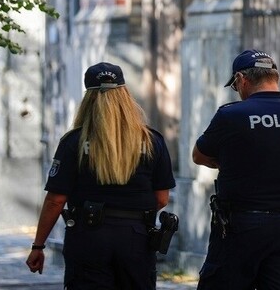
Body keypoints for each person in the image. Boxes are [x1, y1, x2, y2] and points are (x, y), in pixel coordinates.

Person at [25, 61, 177, 289]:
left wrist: (38, 246)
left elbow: (56, 200)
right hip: (136, 237)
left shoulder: (74, 142)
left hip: (88, 236)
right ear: (125, 95)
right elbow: (162, 199)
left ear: (88, 98)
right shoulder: (151, 140)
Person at [193, 49, 280, 290]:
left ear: (241, 79)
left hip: (242, 225)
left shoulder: (232, 115)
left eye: (235, 86)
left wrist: (232, 163)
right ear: (275, 77)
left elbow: (198, 155)